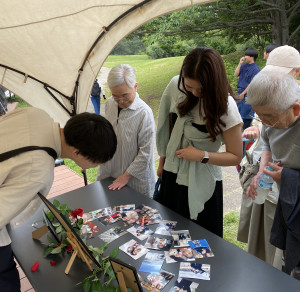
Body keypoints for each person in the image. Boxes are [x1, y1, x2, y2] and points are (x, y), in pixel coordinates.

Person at [0, 107, 117, 291]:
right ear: (77, 153)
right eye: (97, 162)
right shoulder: (39, 170)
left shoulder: (36, 114)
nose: (98, 166)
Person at [156, 47, 243, 237]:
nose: (194, 93)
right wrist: (163, 160)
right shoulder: (175, 86)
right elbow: (167, 126)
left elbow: (236, 156)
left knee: (201, 240)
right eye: (189, 87)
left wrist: (201, 156)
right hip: (172, 173)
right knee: (169, 234)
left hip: (202, 180)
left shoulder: (226, 107)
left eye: (201, 89)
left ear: (214, 83)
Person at [238, 45, 300, 270]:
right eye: (259, 116)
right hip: (281, 188)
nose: (264, 123)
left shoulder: (284, 102)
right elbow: (266, 144)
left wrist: (289, 177)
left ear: (296, 109)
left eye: (270, 117)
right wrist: (263, 172)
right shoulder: (270, 109)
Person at [97, 64, 156, 196]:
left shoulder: (144, 113)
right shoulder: (110, 103)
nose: (120, 101)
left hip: (136, 181)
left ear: (135, 86)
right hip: (110, 172)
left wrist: (126, 176)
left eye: (125, 95)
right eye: (116, 95)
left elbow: (145, 153)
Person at [234, 48, 260, 130]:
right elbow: (236, 74)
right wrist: (240, 63)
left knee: (246, 115)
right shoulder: (244, 65)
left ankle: (246, 133)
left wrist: (243, 94)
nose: (244, 57)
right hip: (240, 91)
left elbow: (252, 84)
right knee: (238, 114)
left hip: (248, 93)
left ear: (252, 57)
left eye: (246, 55)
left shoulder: (255, 69)